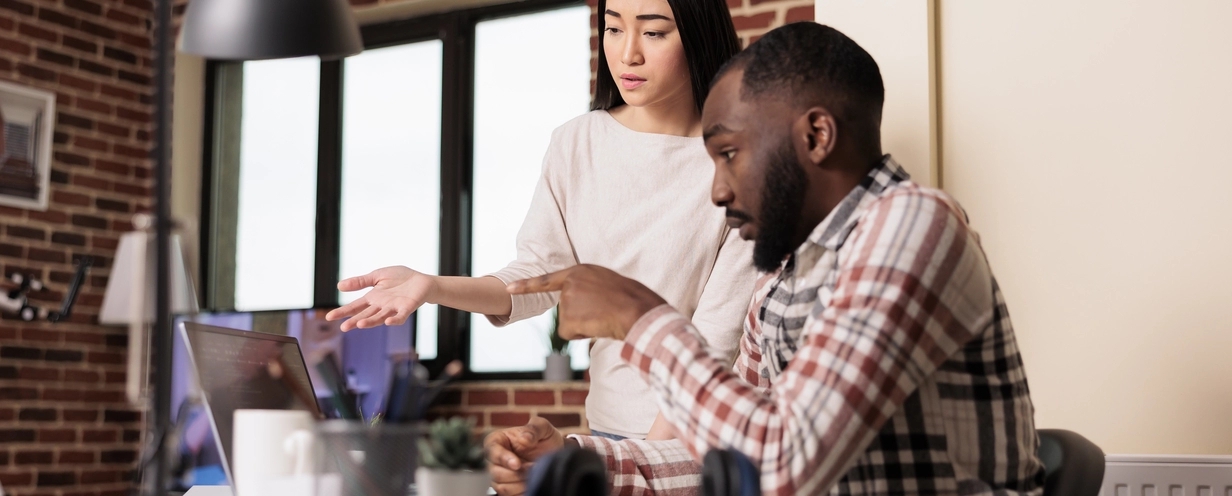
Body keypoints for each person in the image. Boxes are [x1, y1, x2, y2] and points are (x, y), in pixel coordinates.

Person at [484, 22, 1046, 495]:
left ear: (817, 136)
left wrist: (640, 318)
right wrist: (582, 460)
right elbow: (736, 451)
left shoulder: (914, 226)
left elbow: (785, 464)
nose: (718, 190)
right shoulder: (785, 277)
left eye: (730, 154)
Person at [326, 0, 756, 441]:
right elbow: (537, 277)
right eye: (613, 28)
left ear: (699, 36)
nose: (628, 54)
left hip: (703, 438)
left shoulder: (741, 164)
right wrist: (432, 286)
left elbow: (715, 343)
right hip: (609, 431)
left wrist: (642, 465)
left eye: (653, 32)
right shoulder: (578, 143)